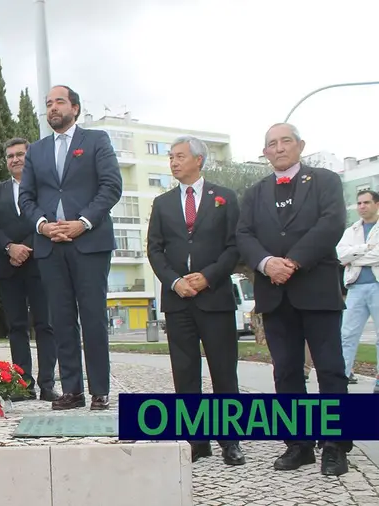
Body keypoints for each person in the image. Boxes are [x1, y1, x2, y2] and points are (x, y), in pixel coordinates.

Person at [236, 122, 349, 476]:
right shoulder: (254, 193)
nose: (279, 147)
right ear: (265, 153)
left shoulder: (326, 181)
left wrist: (294, 260)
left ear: (300, 145)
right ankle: (297, 445)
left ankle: (334, 445)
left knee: (330, 370)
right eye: (272, 143)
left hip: (317, 289)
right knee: (285, 372)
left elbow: (332, 223)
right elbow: (243, 234)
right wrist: (267, 263)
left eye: (286, 141)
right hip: (274, 294)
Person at [18, 85, 122, 411]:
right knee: (61, 320)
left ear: (74, 108)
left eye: (59, 102)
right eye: (48, 104)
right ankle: (72, 390)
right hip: (50, 246)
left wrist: (83, 222)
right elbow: (26, 198)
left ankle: (99, 391)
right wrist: (43, 226)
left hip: (89, 244)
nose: (52, 108)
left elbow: (111, 186)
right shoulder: (36, 151)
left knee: (92, 318)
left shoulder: (96, 141)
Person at [146, 136, 244, 465]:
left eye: (179, 156)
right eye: (170, 157)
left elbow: (234, 246)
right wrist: (174, 281)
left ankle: (230, 441)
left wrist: (208, 276)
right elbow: (155, 249)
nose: (173, 162)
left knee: (223, 371)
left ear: (198, 160)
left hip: (214, 297)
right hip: (178, 302)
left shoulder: (224, 198)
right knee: (185, 373)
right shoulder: (162, 203)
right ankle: (195, 440)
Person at [0, 138, 58, 402]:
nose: (14, 159)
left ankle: (47, 383)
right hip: (8, 267)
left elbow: (48, 219)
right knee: (15, 327)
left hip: (40, 264)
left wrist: (25, 248)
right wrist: (9, 248)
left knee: (45, 325)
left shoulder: (44, 189)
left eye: (19, 154)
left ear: (30, 156)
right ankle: (23, 383)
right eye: (9, 156)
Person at [337, 190, 379, 392]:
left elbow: (377, 255)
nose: (362, 206)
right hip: (355, 287)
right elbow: (341, 255)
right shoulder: (351, 230)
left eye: (367, 202)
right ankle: (341, 377)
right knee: (347, 334)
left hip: (377, 286)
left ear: (376, 204)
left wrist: (354, 256)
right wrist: (365, 249)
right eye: (359, 203)